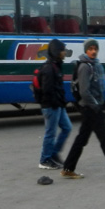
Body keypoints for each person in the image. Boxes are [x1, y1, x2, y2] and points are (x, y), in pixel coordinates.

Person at [61, 40, 105, 180]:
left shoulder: (94, 64)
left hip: (91, 106)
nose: (93, 51)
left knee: (82, 138)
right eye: (90, 49)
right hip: (91, 107)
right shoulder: (85, 67)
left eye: (95, 49)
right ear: (86, 50)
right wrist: (95, 105)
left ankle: (68, 168)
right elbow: (84, 91)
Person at [37, 39, 72, 170]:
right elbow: (48, 91)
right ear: (57, 52)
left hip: (58, 105)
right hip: (51, 106)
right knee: (50, 133)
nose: (64, 52)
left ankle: (54, 154)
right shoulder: (49, 69)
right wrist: (56, 104)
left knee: (67, 128)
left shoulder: (56, 65)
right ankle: (45, 159)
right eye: (62, 50)